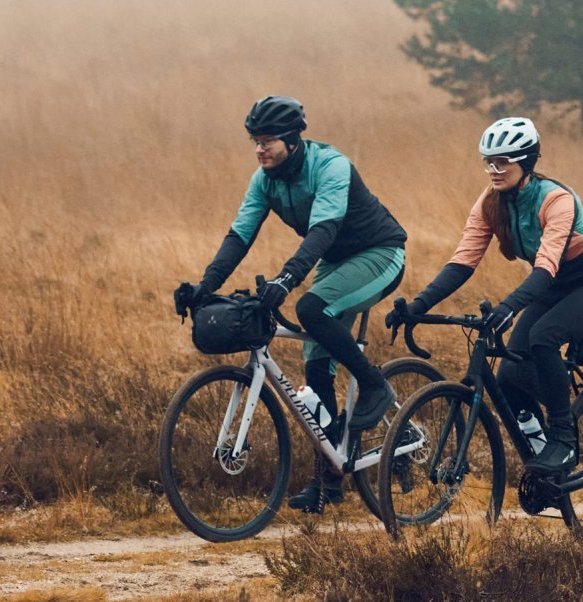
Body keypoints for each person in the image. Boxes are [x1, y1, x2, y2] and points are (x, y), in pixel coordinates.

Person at [174, 95, 408, 513]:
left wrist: (287, 279)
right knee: (316, 366)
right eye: (254, 141)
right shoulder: (264, 180)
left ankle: (375, 385)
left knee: (311, 310)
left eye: (267, 141)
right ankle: (329, 479)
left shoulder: (330, 165)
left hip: (380, 252)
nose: (259, 149)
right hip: (337, 261)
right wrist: (204, 288)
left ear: (292, 141)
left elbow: (323, 230)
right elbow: (239, 237)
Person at [388, 117, 583, 489]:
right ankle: (546, 465)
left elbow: (545, 268)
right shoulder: (490, 203)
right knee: (509, 379)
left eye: (503, 162)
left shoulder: (556, 199)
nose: (493, 170)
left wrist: (509, 307)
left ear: (526, 162)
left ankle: (563, 442)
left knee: (544, 337)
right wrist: (419, 305)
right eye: (488, 162)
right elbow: (463, 261)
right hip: (554, 285)